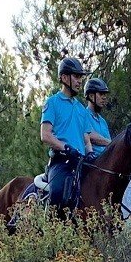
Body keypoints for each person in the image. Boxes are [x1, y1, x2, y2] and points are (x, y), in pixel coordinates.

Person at [40, 56, 95, 211]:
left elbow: (86, 140)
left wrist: (90, 153)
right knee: (58, 193)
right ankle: (50, 230)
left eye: (81, 77)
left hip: (81, 163)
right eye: (76, 77)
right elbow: (45, 135)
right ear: (64, 77)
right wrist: (66, 148)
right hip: (61, 162)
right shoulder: (52, 102)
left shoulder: (81, 109)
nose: (80, 81)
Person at [83, 77, 111, 157]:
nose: (104, 97)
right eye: (101, 94)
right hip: (90, 163)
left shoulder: (103, 121)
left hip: (106, 162)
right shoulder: (82, 115)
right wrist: (111, 143)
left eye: (105, 94)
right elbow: (89, 135)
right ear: (91, 96)